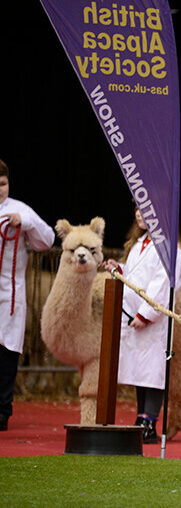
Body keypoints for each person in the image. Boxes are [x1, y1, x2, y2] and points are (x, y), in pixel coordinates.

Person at [102, 207, 181, 443]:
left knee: (153, 371)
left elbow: (162, 284)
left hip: (152, 321)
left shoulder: (170, 250)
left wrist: (146, 314)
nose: (138, 214)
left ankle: (149, 422)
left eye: (145, 210)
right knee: (141, 371)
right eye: (136, 210)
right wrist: (119, 270)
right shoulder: (140, 244)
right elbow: (138, 277)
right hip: (132, 317)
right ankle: (141, 419)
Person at [0, 159, 55, 431]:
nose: (1, 189)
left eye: (3, 183)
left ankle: (2, 410)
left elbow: (47, 239)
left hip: (10, 293)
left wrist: (27, 223)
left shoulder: (19, 209)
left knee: (7, 352)